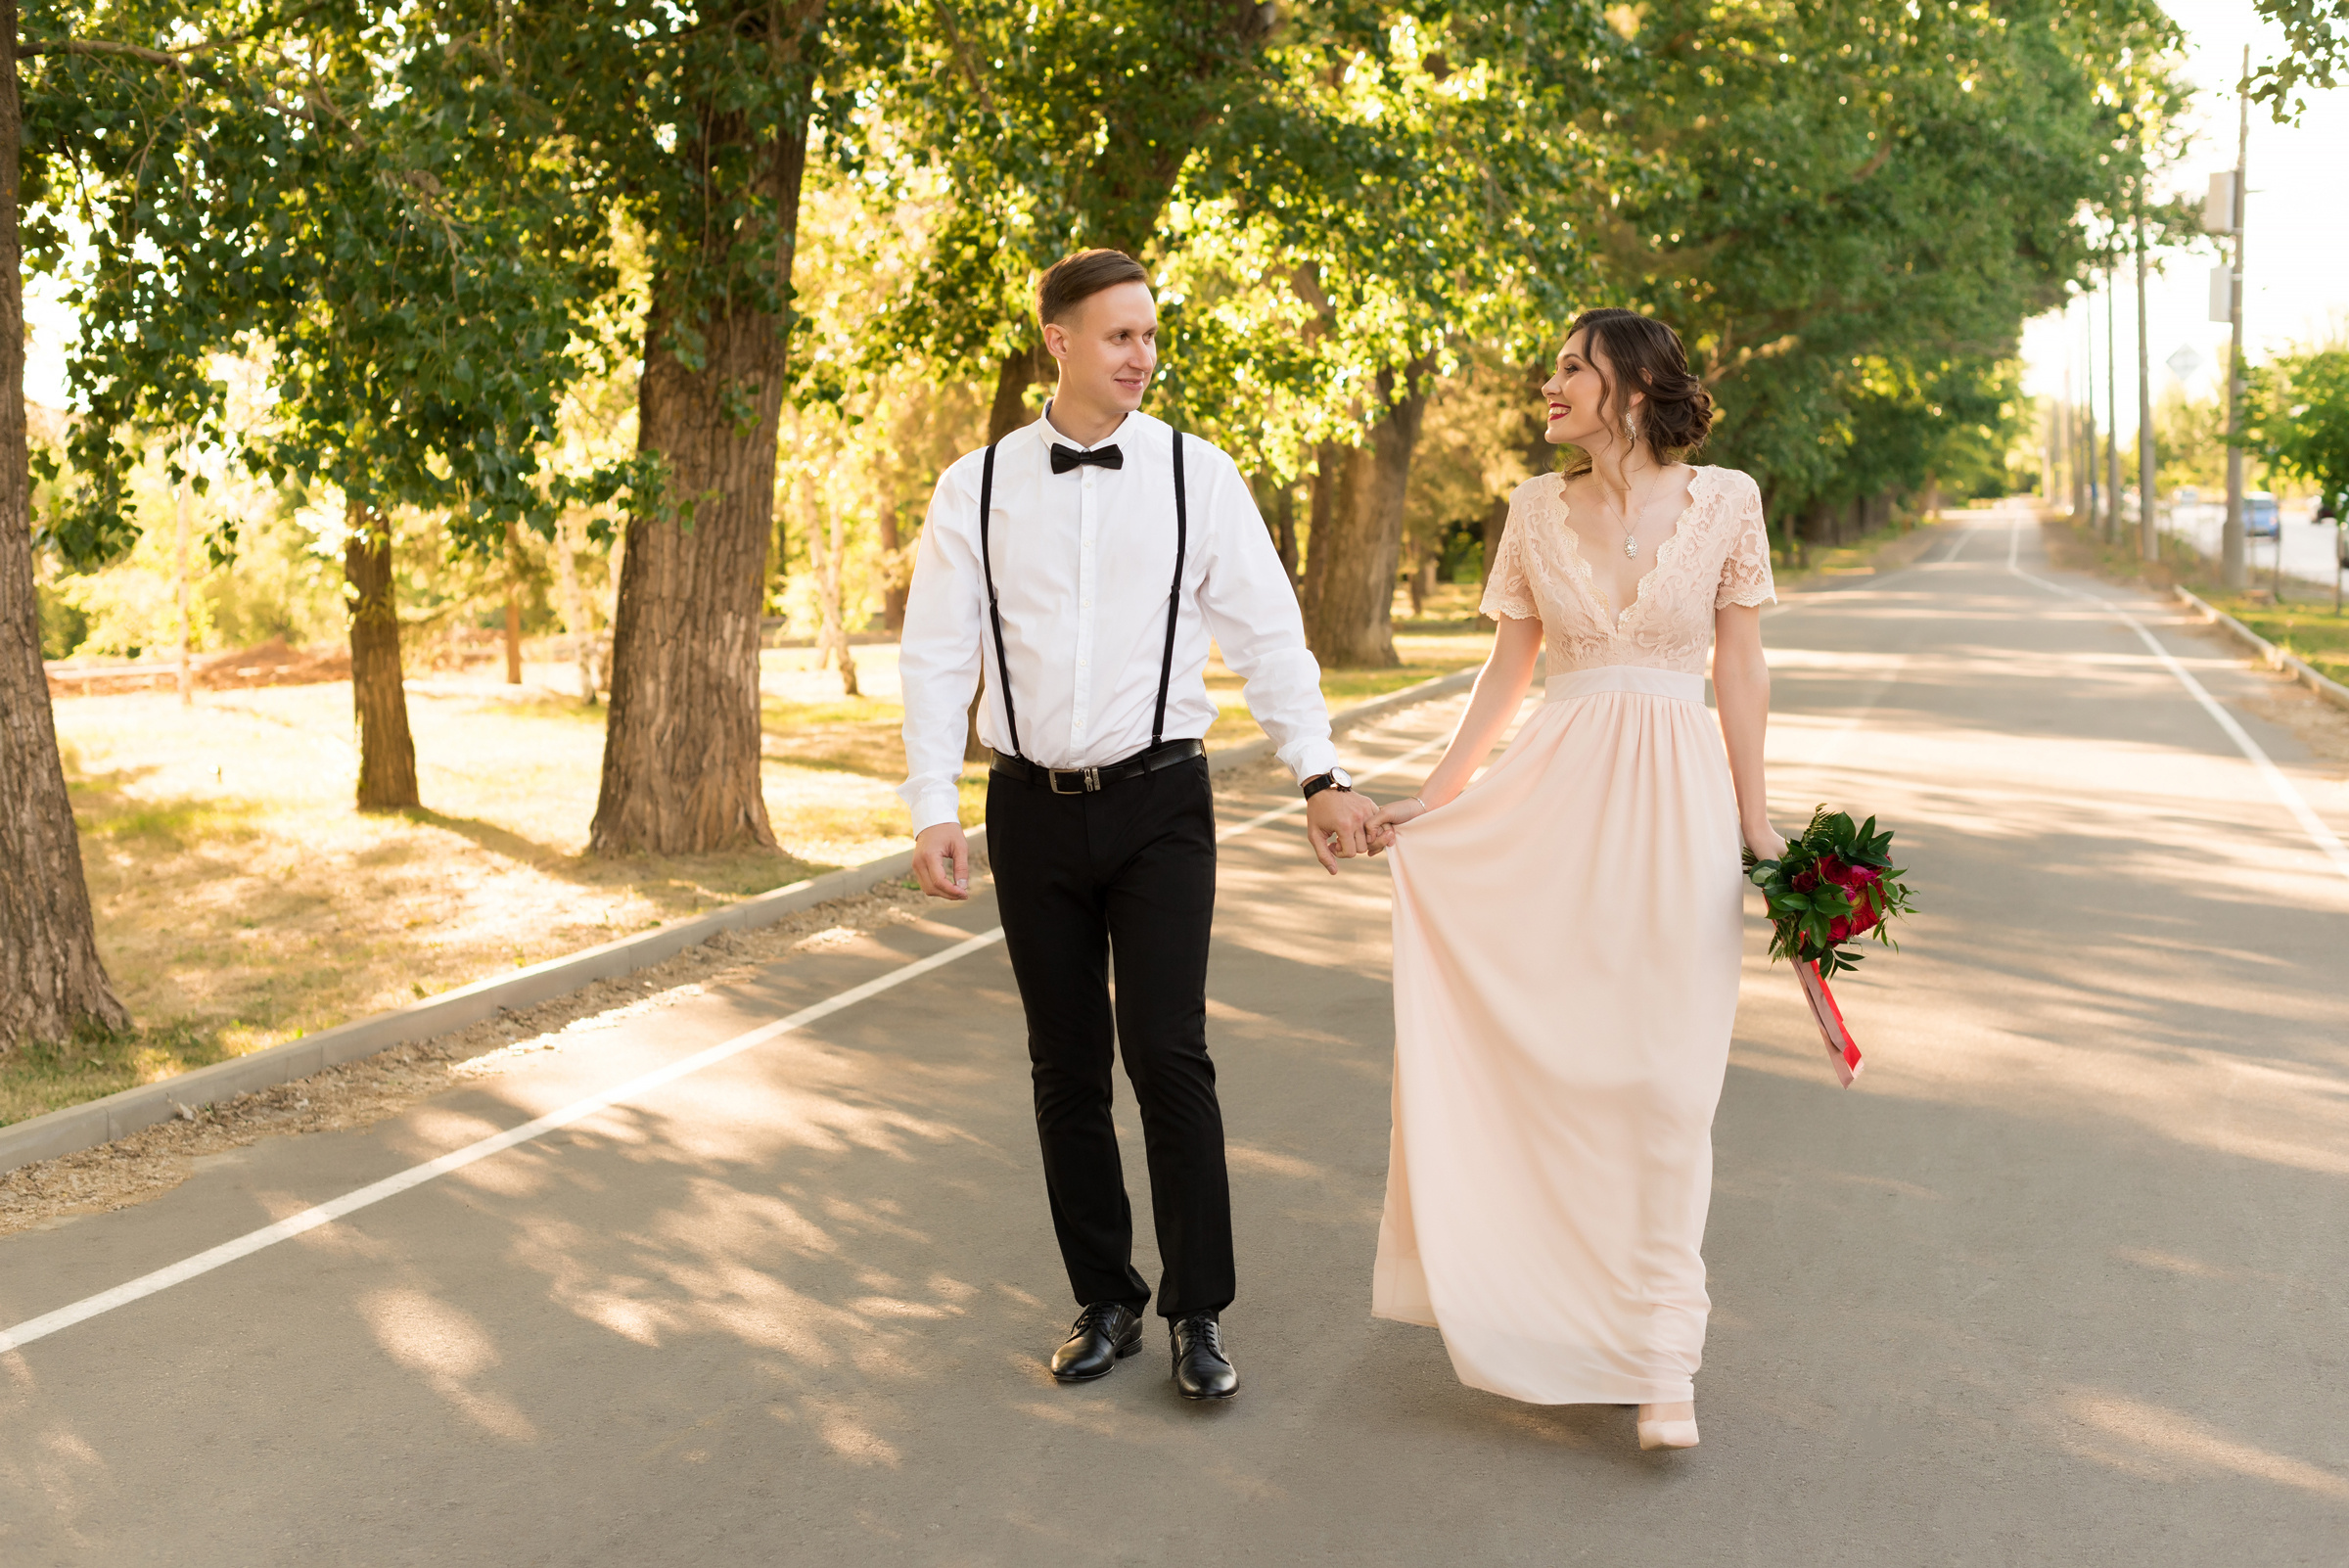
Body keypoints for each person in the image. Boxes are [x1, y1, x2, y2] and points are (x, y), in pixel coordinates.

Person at [897, 249, 1385, 1402]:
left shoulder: (1196, 476)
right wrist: (933, 806)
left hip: (1164, 801)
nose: (1141, 357)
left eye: (1150, 336)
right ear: (1055, 339)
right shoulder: (973, 487)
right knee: (1064, 1063)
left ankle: (1198, 1311)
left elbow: (1270, 637)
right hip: (1029, 807)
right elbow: (934, 655)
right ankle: (1104, 1296)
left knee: (1169, 1053)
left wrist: (1320, 775)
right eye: (1119, 335)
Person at [1366, 308, 1784, 1452]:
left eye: (1568, 368)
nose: (1546, 384)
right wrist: (1434, 799)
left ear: (1633, 387)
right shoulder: (1532, 511)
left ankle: (1663, 1363)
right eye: (1551, 368)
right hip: (1554, 800)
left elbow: (1739, 666)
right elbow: (1510, 672)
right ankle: (1565, 1322)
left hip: (1679, 807)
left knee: (1664, 1084)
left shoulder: (1729, 502)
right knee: (1564, 1066)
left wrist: (1756, 826)